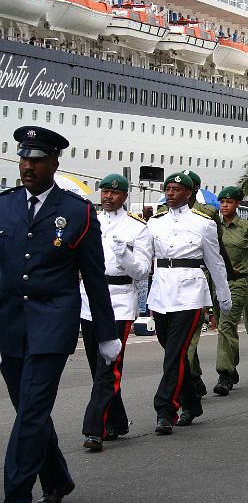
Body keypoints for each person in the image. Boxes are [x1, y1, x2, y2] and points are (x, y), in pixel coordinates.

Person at [0, 126, 120, 502]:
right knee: (27, 409)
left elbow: (94, 277)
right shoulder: (4, 204)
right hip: (10, 322)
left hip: (52, 322)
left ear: (54, 163)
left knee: (33, 411)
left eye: (36, 160)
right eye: (24, 159)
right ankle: (56, 479)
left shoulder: (76, 212)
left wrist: (106, 334)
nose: (28, 167)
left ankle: (16, 493)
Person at [147, 172, 231, 435]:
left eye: (176, 189)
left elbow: (215, 261)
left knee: (174, 352)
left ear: (189, 193)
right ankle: (192, 401)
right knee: (173, 350)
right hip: (161, 291)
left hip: (190, 291)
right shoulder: (154, 222)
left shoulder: (203, 223)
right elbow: (145, 258)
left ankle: (165, 410)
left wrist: (223, 295)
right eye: (168, 189)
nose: (170, 193)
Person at [80, 174, 152, 452]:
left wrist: (125, 255)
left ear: (124, 196)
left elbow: (142, 271)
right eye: (105, 192)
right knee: (95, 367)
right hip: (89, 299)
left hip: (119, 301)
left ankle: (94, 429)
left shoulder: (137, 228)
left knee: (108, 367)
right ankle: (117, 421)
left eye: (114, 192)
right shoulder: (90, 221)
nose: (108, 196)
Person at [213, 186, 248, 396]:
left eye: (229, 202)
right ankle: (232, 366)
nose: (225, 205)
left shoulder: (247, 228)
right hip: (216, 282)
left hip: (238, 283)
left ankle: (225, 373)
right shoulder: (212, 226)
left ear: (237, 204)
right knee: (223, 326)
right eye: (222, 202)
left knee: (226, 325)